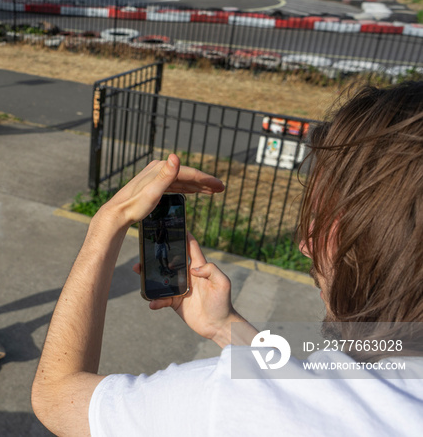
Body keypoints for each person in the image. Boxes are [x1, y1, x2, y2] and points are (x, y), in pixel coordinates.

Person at [31, 82, 423, 436]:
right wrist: (225, 327)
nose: (305, 244)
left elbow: (56, 398)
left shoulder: (230, 404)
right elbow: (310, 384)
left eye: (324, 224)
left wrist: (107, 222)